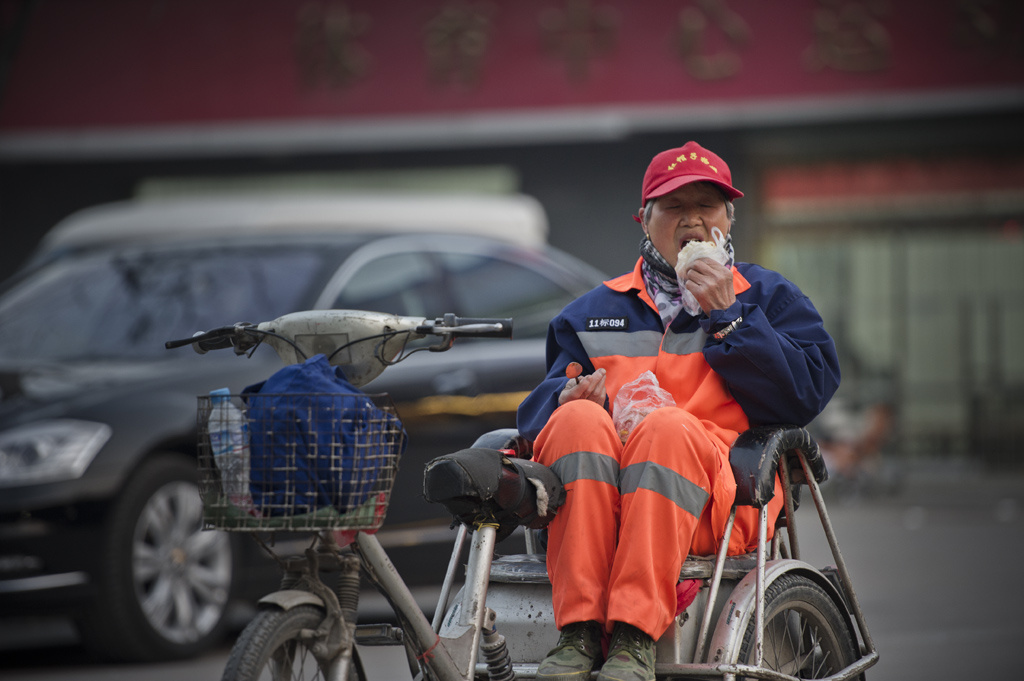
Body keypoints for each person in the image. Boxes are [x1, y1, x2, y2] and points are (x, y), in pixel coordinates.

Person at [516, 140, 841, 681]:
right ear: (645, 221)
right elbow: (536, 415)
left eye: (706, 206)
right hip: (601, 505)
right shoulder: (592, 312)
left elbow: (805, 395)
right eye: (673, 207)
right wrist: (565, 401)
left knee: (665, 427)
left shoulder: (767, 297)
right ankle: (576, 635)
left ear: (729, 220)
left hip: (718, 502)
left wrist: (729, 316)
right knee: (574, 420)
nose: (692, 219)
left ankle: (635, 638)